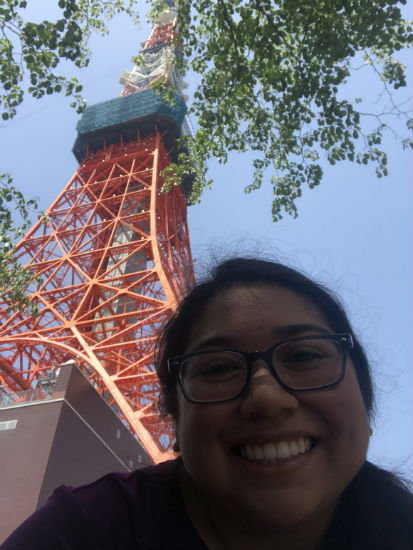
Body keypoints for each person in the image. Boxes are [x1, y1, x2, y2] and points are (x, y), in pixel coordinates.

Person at [2, 257, 412, 549]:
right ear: (174, 422)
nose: (267, 398)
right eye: (218, 368)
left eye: (304, 356)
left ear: (365, 400)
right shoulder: (87, 529)